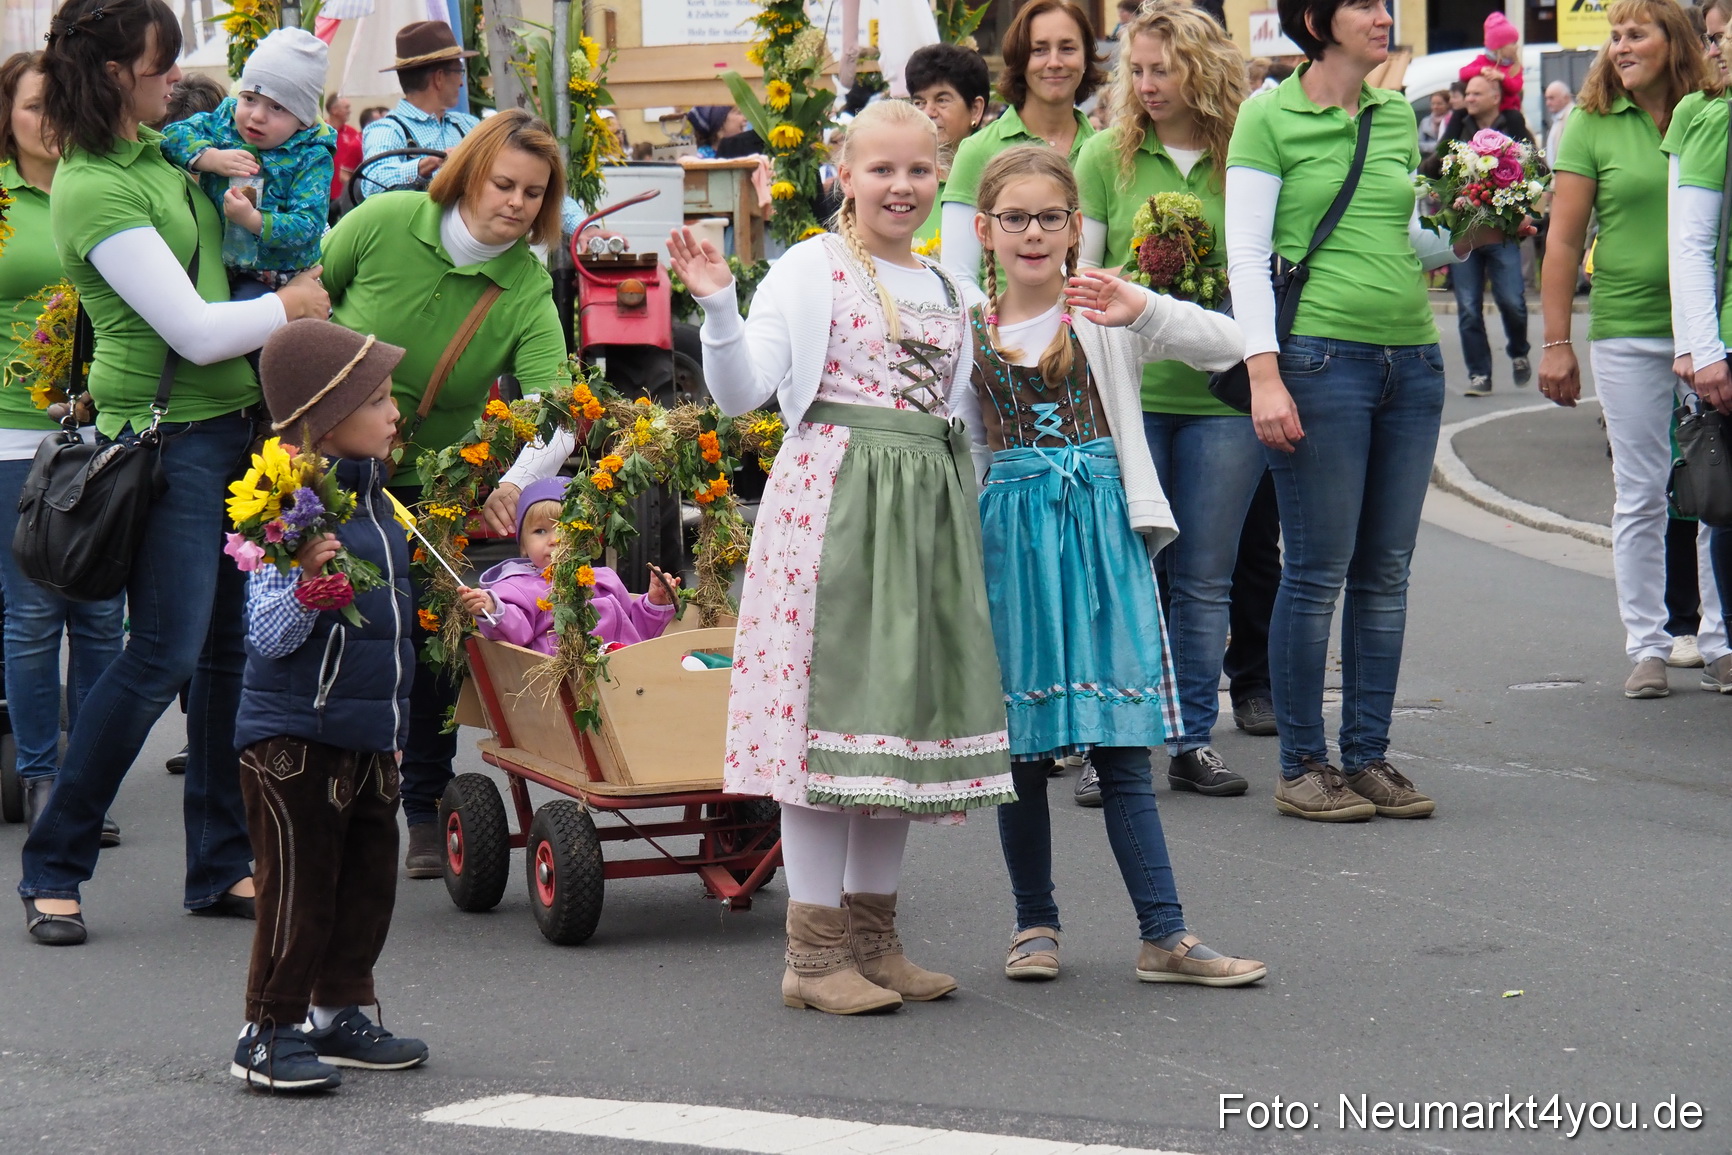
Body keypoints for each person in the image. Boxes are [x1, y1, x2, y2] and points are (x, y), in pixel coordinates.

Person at [668, 98, 1012, 1016]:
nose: (901, 186)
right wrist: (716, 307)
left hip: (926, 515)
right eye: (881, 170)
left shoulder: (947, 286)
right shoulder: (810, 268)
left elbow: (962, 420)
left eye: (919, 169)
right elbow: (742, 394)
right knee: (826, 725)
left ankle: (873, 938)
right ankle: (813, 957)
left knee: (892, 725)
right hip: (836, 509)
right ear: (844, 175)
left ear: (941, 175)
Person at [20, 0, 328, 946]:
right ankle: (53, 862)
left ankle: (220, 862)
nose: (178, 79)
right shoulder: (91, 188)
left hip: (237, 431)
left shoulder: (158, 154)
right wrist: (296, 303)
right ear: (116, 73)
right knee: (160, 654)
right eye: (160, 66)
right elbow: (193, 332)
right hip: (169, 442)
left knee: (231, 654)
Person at [966, 144, 1263, 987]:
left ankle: (1164, 933)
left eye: (1051, 218)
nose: (1033, 233)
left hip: (1101, 539)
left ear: (1074, 228)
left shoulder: (1101, 315)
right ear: (986, 230)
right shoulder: (967, 330)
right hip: (1012, 543)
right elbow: (955, 446)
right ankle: (1034, 922)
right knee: (1022, 746)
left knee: (1123, 743)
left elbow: (1231, 343)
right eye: (1015, 219)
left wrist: (1142, 305)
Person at [1225, 0, 1500, 822]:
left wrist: (1474, 229)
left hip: (1411, 360)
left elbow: (1408, 235)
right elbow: (1246, 254)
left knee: (1385, 570)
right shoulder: (1267, 116)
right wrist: (1265, 373)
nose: (1383, 17)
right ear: (1316, 18)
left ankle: (1369, 755)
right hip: (1319, 361)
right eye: (1365, 6)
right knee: (1315, 572)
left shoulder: (1390, 113)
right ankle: (1304, 764)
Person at [319, 109, 571, 878]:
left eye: (535, 193)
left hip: (434, 487)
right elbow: (304, 305)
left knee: (431, 647)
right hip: (323, 469)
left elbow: (556, 412)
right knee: (331, 630)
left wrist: (511, 483)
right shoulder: (388, 219)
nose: (517, 203)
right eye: (504, 183)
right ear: (468, 173)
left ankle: (424, 809)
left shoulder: (525, 283)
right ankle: (316, 800)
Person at [230, 318, 428, 1091]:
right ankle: (266, 1027)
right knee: (301, 887)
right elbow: (267, 635)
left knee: (366, 881)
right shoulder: (288, 505)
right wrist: (310, 585)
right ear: (325, 416)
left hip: (366, 730)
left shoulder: (377, 503)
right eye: (377, 400)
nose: (393, 413)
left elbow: (388, 627)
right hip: (295, 735)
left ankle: (340, 1008)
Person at [1074, 0, 1259, 801]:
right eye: (1137, 69)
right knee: (1125, 570)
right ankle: (1105, 743)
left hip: (1223, 395)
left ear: (1202, 68)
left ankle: (1188, 739)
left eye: (1164, 68)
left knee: (1207, 576)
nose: (1147, 84)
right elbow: (1079, 280)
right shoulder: (1102, 157)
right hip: (1129, 391)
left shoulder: (1244, 151)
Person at [0, 51, 125, 840]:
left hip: (102, 430)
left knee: (103, 618)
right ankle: (42, 776)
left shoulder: (102, 188)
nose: (48, 121)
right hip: (12, 431)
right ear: (5, 116)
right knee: (34, 614)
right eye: (32, 106)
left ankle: (89, 782)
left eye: (59, 104)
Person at [1652, 2, 1732, 696]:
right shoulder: (1710, 118)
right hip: (1724, 339)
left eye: (1725, 34)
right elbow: (1691, 242)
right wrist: (1701, 348)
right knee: (1716, 498)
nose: (1718, 49)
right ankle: (1712, 630)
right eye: (1712, 37)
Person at [940, 0, 1105, 290]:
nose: (1054, 62)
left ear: (1086, 58)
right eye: (1039, 50)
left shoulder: (1109, 152)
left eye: (1067, 48)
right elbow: (959, 276)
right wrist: (998, 330)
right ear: (1019, 59)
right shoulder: (978, 151)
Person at [161, 29, 335, 302]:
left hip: (278, 275)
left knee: (250, 328)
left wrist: (254, 220)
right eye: (250, 99)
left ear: (302, 120)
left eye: (277, 108)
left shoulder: (311, 156)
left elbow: (309, 225)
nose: (257, 116)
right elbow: (169, 136)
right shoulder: (225, 122)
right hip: (218, 261)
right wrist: (211, 158)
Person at [461, 476, 679, 655]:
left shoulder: (605, 579)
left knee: (689, 665)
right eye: (540, 531)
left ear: (587, 539)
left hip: (628, 672)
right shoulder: (518, 588)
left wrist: (655, 603)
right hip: (572, 680)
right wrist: (492, 609)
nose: (554, 539)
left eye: (565, 529)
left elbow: (635, 630)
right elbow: (516, 631)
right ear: (524, 546)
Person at [1436, 72, 1533, 397]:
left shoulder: (1513, 121)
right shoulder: (1459, 123)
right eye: (1468, 94)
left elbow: (1536, 167)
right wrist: (1448, 167)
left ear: (1495, 96)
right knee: (1467, 306)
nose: (1469, 99)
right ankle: (1480, 375)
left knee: (1512, 302)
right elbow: (1435, 164)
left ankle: (1519, 351)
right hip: (1465, 228)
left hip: (1501, 229)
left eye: (1476, 94)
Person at [357, 21, 477, 198]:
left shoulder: (468, 124)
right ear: (439, 78)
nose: (461, 82)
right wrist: (429, 164)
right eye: (460, 71)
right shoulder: (387, 130)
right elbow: (373, 184)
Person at [905, 42, 991, 253]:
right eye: (918, 102)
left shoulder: (994, 179)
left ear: (976, 109)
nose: (928, 112)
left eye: (942, 100)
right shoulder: (900, 182)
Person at [1459, 10, 1523, 113]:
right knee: (1460, 114)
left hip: (1506, 110)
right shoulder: (1483, 60)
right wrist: (1481, 70)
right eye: (1513, 43)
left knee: (1515, 117)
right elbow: (1462, 73)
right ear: (1500, 46)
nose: (1516, 47)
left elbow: (1516, 87)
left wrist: (1502, 77)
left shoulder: (1514, 66)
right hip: (1484, 109)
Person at [327, 93, 362, 209]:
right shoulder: (320, 131)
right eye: (346, 107)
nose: (349, 111)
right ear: (334, 110)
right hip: (323, 192)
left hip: (343, 194)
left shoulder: (353, 133)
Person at [1544, 80, 1574, 167]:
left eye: (1551, 98)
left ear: (1566, 98)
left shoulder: (1571, 117)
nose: (1548, 103)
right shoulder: (1559, 117)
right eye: (1546, 99)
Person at [1419, 89, 1450, 154]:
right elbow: (1418, 144)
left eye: (1439, 104)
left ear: (1447, 104)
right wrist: (1437, 146)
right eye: (1433, 104)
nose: (1435, 107)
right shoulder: (1425, 122)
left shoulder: (1451, 120)